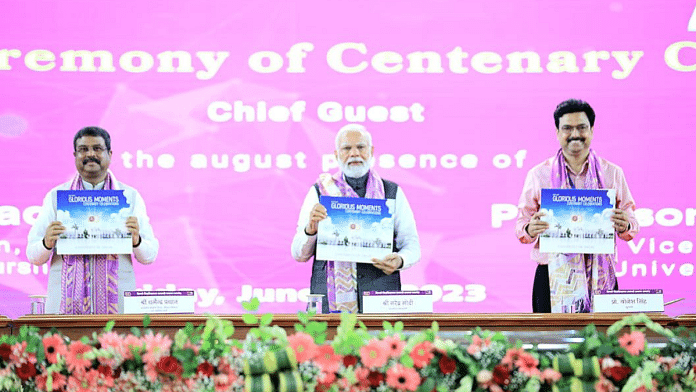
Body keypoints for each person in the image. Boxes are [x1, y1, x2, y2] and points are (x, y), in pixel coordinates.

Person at [515, 99, 639, 313]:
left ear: (591, 130)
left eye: (581, 127)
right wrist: (530, 228)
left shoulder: (612, 173)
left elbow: (631, 225)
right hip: (551, 276)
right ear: (557, 132)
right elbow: (521, 226)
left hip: (600, 275)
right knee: (550, 344)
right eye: (567, 128)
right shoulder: (539, 174)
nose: (575, 134)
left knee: (603, 343)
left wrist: (625, 225)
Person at [26, 126, 158, 314]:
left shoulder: (130, 197)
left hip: (118, 309)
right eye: (83, 149)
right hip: (65, 310)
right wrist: (47, 242)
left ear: (110, 154)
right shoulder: (56, 197)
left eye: (97, 148)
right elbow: (33, 256)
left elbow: (149, 256)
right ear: (75, 155)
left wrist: (136, 240)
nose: (90, 154)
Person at [291, 124, 421, 313]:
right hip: (330, 303)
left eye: (360, 147)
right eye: (346, 148)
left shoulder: (392, 191)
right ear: (336, 155)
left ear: (371, 151)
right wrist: (310, 230)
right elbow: (298, 254)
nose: (354, 153)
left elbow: (412, 245)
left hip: (381, 296)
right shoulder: (320, 191)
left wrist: (400, 260)